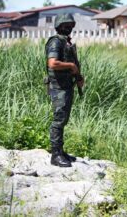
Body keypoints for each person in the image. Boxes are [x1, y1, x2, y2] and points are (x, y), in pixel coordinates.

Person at [45, 13, 84, 167]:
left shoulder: (65, 42)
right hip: (58, 86)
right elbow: (53, 64)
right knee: (59, 120)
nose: (69, 28)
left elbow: (71, 61)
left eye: (71, 25)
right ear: (59, 26)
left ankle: (60, 151)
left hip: (67, 85)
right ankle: (55, 155)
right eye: (66, 25)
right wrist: (71, 66)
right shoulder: (56, 42)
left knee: (63, 119)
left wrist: (78, 76)